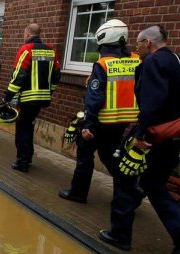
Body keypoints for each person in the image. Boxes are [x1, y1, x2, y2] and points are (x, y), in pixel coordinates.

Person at [100, 25, 180, 254]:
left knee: (125, 177)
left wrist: (141, 136)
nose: (136, 48)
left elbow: (151, 101)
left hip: (154, 136)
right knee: (153, 183)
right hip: (178, 137)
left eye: (138, 43)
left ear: (148, 42)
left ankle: (120, 235)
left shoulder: (153, 63)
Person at [59, 19, 141, 204]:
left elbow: (94, 98)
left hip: (100, 121)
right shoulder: (137, 60)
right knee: (109, 156)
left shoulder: (103, 64)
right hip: (123, 122)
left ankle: (78, 193)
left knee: (85, 157)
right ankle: (131, 190)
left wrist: (87, 124)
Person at [2, 23, 61, 172]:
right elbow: (56, 75)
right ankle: (27, 157)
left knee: (22, 128)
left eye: (24, 34)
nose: (23, 36)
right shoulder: (50, 51)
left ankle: (22, 162)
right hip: (42, 99)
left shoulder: (26, 49)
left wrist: (7, 96)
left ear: (28, 34)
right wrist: (50, 92)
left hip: (27, 98)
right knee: (29, 126)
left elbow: (18, 75)